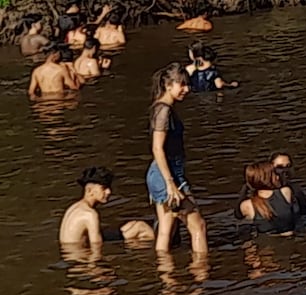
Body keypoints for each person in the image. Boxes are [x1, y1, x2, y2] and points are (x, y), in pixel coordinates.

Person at [145, 62, 208, 253]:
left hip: (160, 173)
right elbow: (157, 148)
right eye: (182, 85)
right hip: (168, 174)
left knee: (166, 231)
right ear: (168, 85)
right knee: (198, 226)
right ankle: (201, 274)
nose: (186, 89)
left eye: (187, 85)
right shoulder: (164, 111)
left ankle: (166, 277)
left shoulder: (160, 107)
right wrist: (171, 184)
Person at [59, 166, 155, 245]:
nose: (108, 192)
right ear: (89, 190)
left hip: (74, 254)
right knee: (142, 227)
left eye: (109, 187)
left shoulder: (74, 207)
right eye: (103, 188)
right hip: (81, 258)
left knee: (134, 224)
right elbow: (96, 248)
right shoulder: (90, 215)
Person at [237, 162, 298, 236]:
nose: (278, 177)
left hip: (266, 241)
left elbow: (238, 215)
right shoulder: (285, 192)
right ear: (265, 179)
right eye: (274, 174)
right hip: (289, 236)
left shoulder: (246, 205)